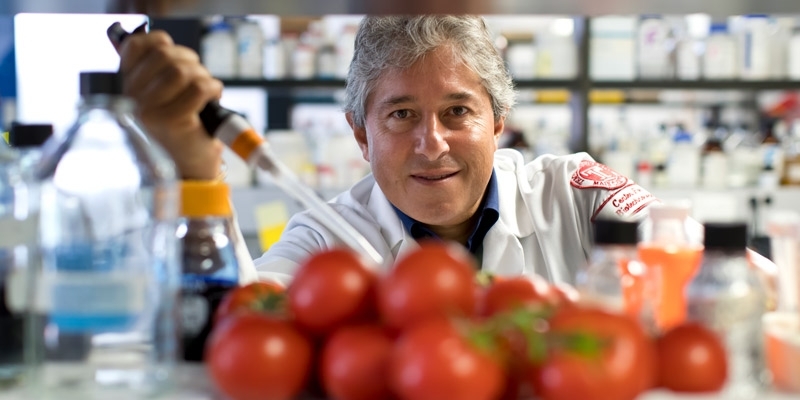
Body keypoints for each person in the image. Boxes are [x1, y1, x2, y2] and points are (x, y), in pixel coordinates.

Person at [115, 16, 772, 287]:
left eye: (458, 111)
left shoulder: (573, 189)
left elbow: (735, 273)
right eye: (401, 115)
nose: (432, 144)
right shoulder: (323, 239)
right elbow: (233, 330)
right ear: (360, 133)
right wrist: (196, 166)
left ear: (499, 122)